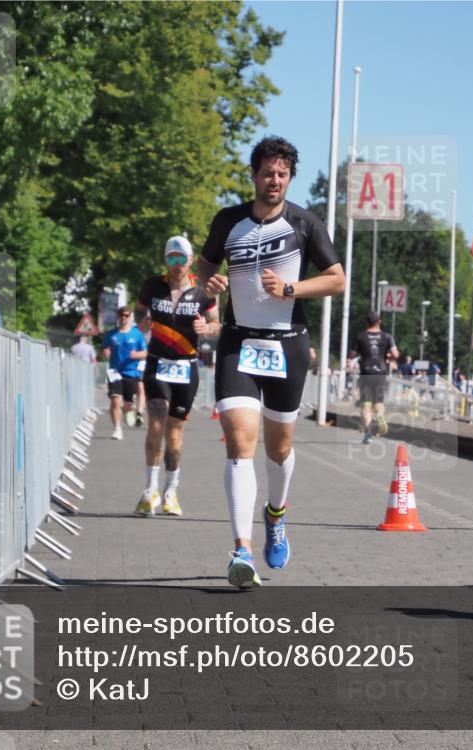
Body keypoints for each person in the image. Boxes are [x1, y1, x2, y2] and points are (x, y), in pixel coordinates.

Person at [195, 136, 345, 588]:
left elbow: (337, 281)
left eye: (281, 174)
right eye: (266, 173)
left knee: (278, 450)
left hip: (288, 345)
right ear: (254, 175)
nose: (273, 180)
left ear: (288, 178)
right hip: (239, 343)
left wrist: (292, 289)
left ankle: (275, 517)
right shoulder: (229, 221)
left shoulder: (305, 223)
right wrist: (212, 285)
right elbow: (203, 269)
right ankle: (241, 550)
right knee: (240, 441)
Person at [133, 236, 220, 517]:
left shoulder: (202, 291)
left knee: (174, 433)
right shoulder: (152, 286)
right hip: (157, 364)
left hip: (186, 365)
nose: (176, 264)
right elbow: (138, 313)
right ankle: (150, 490)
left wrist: (207, 327)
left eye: (181, 258)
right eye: (171, 258)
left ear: (190, 260)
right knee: (156, 426)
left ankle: (171, 490)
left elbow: (217, 323)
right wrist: (142, 322)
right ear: (165, 260)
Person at [101, 306, 147, 440]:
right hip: (114, 370)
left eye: (126, 315)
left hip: (131, 372)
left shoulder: (137, 334)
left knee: (128, 403)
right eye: (121, 315)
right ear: (118, 316)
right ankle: (117, 428)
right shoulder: (111, 334)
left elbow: (145, 352)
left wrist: (136, 354)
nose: (124, 318)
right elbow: (104, 351)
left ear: (130, 316)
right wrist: (105, 353)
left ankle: (130, 411)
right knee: (115, 400)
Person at [353, 311, 399, 444]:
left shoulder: (361, 336)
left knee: (365, 404)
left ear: (366, 322)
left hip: (366, 371)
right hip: (380, 372)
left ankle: (368, 432)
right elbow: (395, 354)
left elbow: (354, 353)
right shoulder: (386, 336)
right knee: (378, 402)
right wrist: (388, 357)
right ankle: (379, 415)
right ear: (379, 321)